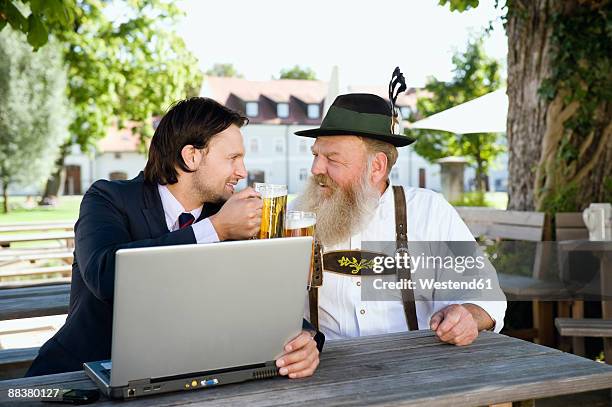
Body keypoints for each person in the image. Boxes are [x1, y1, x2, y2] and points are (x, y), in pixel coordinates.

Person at [26, 97, 322, 378]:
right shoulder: (108, 198)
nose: (242, 172)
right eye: (233, 158)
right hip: (77, 376)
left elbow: (263, 299)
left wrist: (306, 338)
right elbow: (106, 275)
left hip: (178, 382)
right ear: (191, 156)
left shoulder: (227, 217)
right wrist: (215, 230)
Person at [292, 69, 506, 346]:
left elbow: (484, 292)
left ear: (377, 167)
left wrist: (468, 316)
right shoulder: (296, 216)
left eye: (332, 158)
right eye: (316, 155)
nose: (316, 168)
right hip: (323, 367)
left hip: (415, 370)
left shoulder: (430, 211)